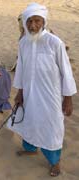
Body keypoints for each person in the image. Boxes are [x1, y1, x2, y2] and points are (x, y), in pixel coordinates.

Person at [12, 2, 77, 177]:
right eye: (30, 22)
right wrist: (20, 92)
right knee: (30, 120)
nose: (33, 26)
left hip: (50, 95)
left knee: (52, 126)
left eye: (37, 21)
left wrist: (68, 98)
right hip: (30, 93)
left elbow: (66, 71)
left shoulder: (54, 42)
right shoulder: (24, 42)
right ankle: (31, 148)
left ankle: (55, 161)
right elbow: (21, 69)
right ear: (25, 23)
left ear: (44, 22)